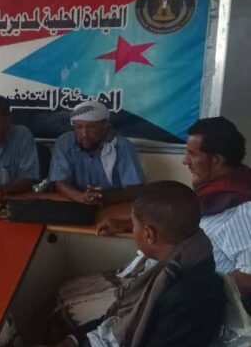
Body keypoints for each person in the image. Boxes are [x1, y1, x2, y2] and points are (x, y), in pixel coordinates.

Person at [0, 181, 225, 347]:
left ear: (149, 234)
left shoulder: (189, 296)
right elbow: (116, 320)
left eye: (134, 225)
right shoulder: (173, 264)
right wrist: (71, 341)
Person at [58, 116, 251, 333]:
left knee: (69, 309)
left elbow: (248, 278)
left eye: (192, 154)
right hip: (155, 279)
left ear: (216, 160)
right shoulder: (214, 194)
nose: (185, 161)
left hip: (177, 302)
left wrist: (180, 290)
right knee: (68, 291)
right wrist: (128, 225)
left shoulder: (244, 211)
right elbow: (178, 226)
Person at [50, 100, 145, 205]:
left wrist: (103, 197)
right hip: (75, 200)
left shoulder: (121, 145)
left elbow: (135, 189)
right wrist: (81, 197)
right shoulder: (65, 142)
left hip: (112, 203)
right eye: (79, 127)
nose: (84, 134)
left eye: (91, 127)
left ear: (105, 127)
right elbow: (60, 182)